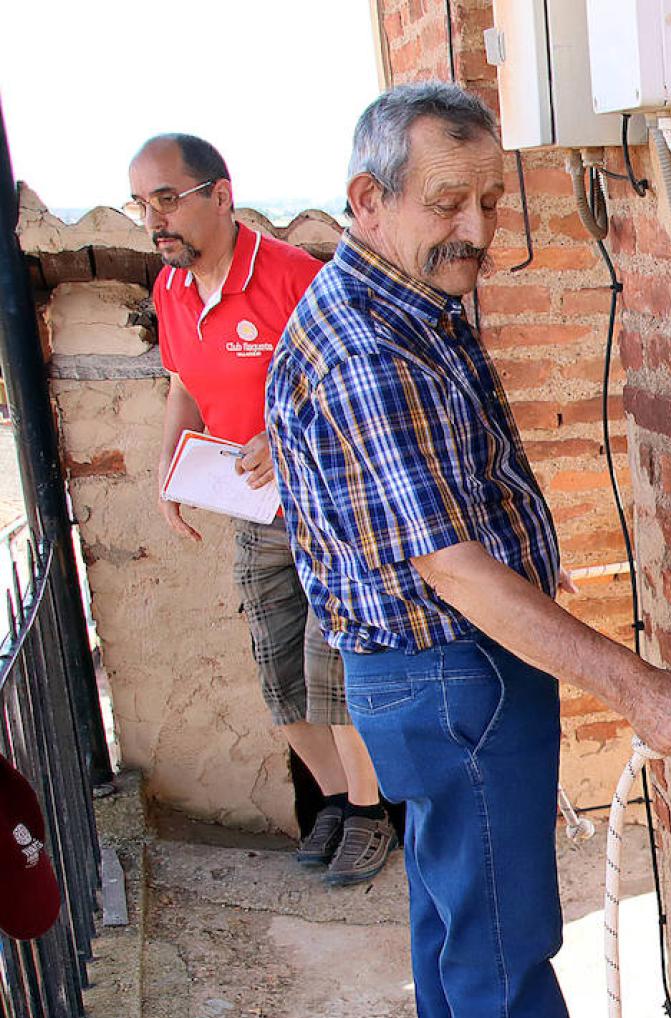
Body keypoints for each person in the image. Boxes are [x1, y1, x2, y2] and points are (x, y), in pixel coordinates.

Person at [265, 82, 671, 1018]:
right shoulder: (372, 343)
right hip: (451, 671)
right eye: (447, 202)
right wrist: (642, 687)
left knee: (451, 907)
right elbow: (458, 569)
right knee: (504, 934)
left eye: (488, 199)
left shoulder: (391, 302)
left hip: (427, 675)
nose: (476, 230)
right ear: (367, 200)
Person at [126, 134, 394, 885]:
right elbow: (183, 384)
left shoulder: (292, 277)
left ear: (220, 194)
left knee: (330, 670)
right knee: (277, 673)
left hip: (333, 507)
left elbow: (352, 380)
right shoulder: (170, 290)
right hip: (254, 508)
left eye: (168, 198)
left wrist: (286, 435)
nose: (155, 218)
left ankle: (372, 817)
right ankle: (337, 803)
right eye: (142, 203)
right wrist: (169, 466)